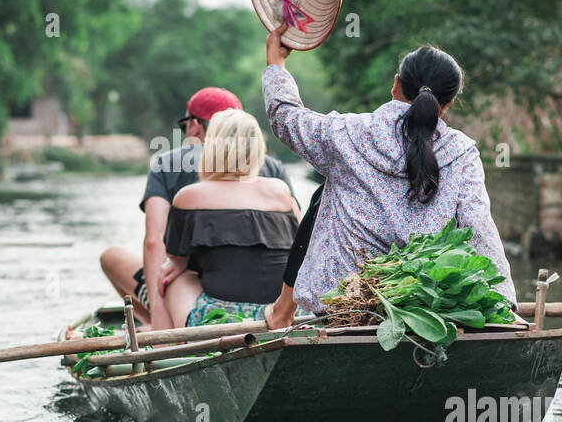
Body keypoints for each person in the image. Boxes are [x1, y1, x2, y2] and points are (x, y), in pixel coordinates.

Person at [261, 22, 517, 323]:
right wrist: (505, 307)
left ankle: (283, 310)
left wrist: (276, 65)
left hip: (344, 306)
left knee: (320, 196)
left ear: (395, 85)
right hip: (425, 308)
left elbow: (285, 117)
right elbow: (479, 229)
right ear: (446, 106)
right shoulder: (462, 152)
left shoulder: (347, 133)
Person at [99, 86, 293, 329]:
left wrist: (161, 322)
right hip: (275, 306)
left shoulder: (170, 167)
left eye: (185, 126)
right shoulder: (275, 174)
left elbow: (154, 241)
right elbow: (296, 242)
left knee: (118, 258)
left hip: (204, 297)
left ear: (197, 127)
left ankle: (156, 327)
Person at [156, 110, 301, 328]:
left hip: (220, 321)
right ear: (257, 148)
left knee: (175, 277)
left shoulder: (188, 197)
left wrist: (178, 263)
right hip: (284, 312)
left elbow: (175, 257)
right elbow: (302, 247)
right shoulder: (280, 191)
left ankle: (173, 343)